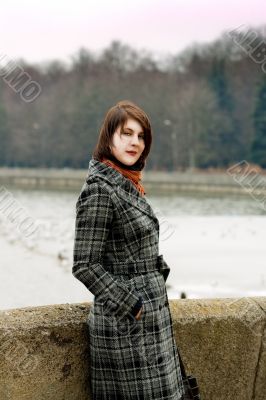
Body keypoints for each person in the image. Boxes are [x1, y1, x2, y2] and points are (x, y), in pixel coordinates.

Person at [72, 100, 185, 399]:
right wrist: (131, 305)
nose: (135, 142)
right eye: (126, 133)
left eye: (141, 136)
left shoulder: (128, 183)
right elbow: (84, 264)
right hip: (125, 325)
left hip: (152, 315)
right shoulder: (100, 189)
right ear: (109, 137)